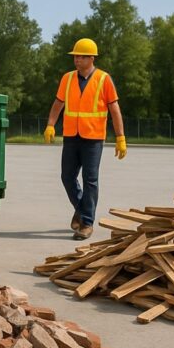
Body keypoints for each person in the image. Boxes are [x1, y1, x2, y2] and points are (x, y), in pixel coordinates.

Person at [43, 38, 127, 240]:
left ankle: (87, 223)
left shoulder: (104, 79)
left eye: (81, 56)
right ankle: (81, 209)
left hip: (93, 138)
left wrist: (120, 137)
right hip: (71, 136)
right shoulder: (68, 78)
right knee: (67, 177)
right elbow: (58, 103)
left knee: (90, 180)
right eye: (75, 56)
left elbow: (114, 109)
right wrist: (50, 125)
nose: (77, 60)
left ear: (91, 58)